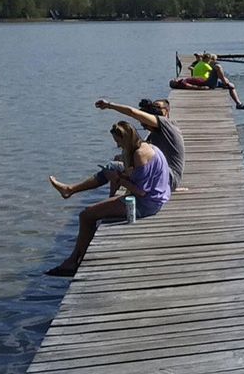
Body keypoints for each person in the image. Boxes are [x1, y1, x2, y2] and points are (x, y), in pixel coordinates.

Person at [44, 121, 172, 277]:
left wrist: (119, 179)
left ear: (125, 139)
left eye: (118, 142)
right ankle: (69, 190)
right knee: (111, 167)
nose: (118, 146)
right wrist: (119, 175)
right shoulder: (149, 147)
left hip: (146, 204)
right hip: (156, 197)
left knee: (86, 215)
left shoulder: (139, 155)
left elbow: (141, 192)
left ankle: (76, 261)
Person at [49, 98, 185, 196]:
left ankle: (71, 189)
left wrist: (109, 105)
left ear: (166, 112)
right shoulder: (157, 132)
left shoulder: (166, 124)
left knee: (113, 167)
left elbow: (133, 112)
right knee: (120, 158)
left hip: (169, 178)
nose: (144, 125)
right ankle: (113, 195)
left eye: (145, 123)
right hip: (165, 176)